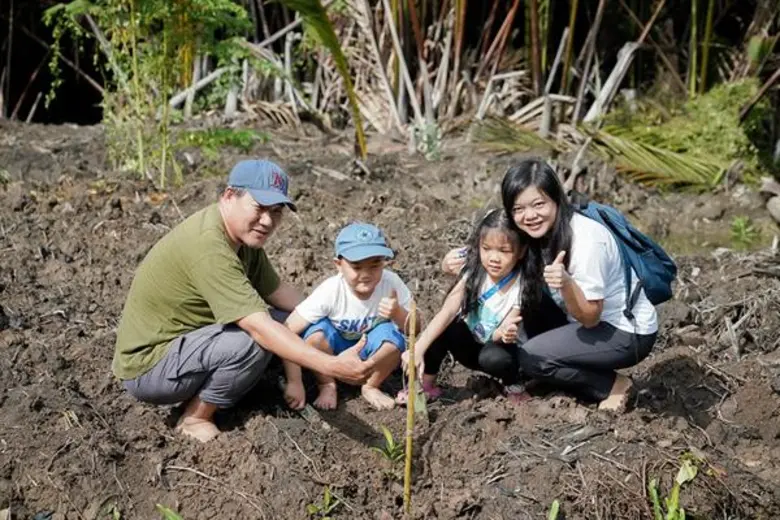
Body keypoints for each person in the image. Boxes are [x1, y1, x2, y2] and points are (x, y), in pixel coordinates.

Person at [112, 159, 375, 443]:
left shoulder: (241, 238)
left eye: (276, 211)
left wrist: (348, 318)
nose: (267, 221)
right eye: (259, 207)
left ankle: (239, 381)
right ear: (228, 196)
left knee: (292, 320)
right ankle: (195, 417)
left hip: (189, 344)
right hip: (150, 367)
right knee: (253, 341)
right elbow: (258, 327)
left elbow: (280, 294)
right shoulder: (209, 248)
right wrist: (329, 364)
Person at [441, 158, 658, 411]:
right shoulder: (530, 230)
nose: (529, 215)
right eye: (518, 208)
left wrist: (566, 284)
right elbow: (490, 249)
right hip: (576, 318)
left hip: (624, 331)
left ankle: (611, 385)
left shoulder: (586, 241)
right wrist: (448, 264)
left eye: (538, 204)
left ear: (556, 199)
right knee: (530, 300)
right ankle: (549, 371)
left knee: (533, 356)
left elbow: (591, 317)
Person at [398, 209, 528, 405]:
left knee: (494, 358)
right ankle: (425, 385)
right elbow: (449, 310)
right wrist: (418, 348)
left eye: (504, 251)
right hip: (470, 345)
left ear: (521, 251)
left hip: (497, 350)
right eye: (487, 248)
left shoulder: (521, 286)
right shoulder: (475, 271)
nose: (494, 258)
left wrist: (503, 334)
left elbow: (502, 332)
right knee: (443, 327)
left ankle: (514, 386)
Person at [283, 222, 418, 411]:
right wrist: (294, 381)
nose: (366, 274)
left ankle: (371, 385)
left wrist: (397, 313)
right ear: (338, 265)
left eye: (374, 265)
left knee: (394, 339)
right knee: (314, 336)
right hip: (334, 353)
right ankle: (327, 384)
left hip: (371, 355)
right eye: (356, 266)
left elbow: (415, 328)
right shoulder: (331, 290)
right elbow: (287, 331)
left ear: (384, 263)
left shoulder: (390, 283)